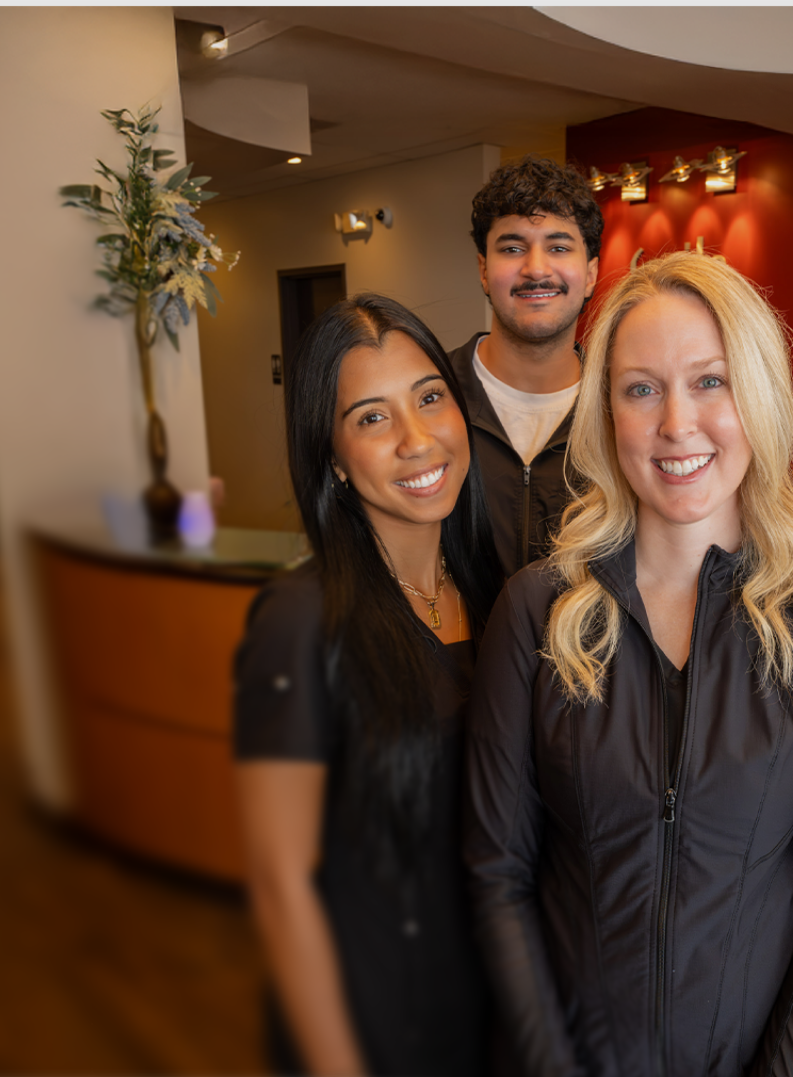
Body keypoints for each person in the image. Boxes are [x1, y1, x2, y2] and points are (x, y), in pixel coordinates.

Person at [465, 252, 793, 1077]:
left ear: (758, 398)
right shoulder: (535, 612)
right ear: (606, 414)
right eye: (640, 388)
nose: (675, 423)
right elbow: (497, 875)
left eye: (709, 381)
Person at [233, 294, 505, 1077]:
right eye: (372, 418)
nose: (418, 440)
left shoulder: (498, 592)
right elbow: (281, 884)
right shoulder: (299, 621)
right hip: (375, 1021)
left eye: (429, 398)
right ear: (332, 458)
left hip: (490, 1007)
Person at [447, 154, 603, 577]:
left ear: (590, 274)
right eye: (513, 248)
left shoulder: (622, 411)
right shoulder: (431, 400)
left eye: (558, 247)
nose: (536, 269)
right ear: (484, 270)